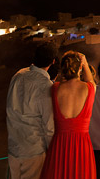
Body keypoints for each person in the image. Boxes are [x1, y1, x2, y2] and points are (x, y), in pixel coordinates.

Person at [40, 51, 96, 179]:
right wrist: (84, 61)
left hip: (60, 145)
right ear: (80, 68)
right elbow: (90, 80)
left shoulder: (55, 88)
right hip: (82, 145)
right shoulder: (89, 88)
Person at [6, 42, 58, 179]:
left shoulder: (18, 75)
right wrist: (53, 152)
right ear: (53, 61)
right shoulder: (45, 85)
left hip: (13, 148)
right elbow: (49, 126)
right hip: (33, 150)